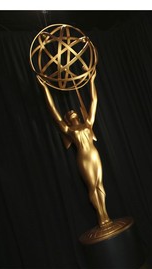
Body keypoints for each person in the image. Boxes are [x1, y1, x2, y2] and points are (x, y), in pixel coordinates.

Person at [37, 71, 111, 227]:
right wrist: (45, 88)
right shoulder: (69, 131)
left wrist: (92, 81)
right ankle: (100, 216)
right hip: (83, 157)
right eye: (68, 113)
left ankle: (106, 214)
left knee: (100, 184)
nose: (70, 111)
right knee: (92, 186)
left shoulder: (88, 123)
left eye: (72, 110)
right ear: (67, 120)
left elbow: (94, 100)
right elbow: (53, 111)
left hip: (94, 154)